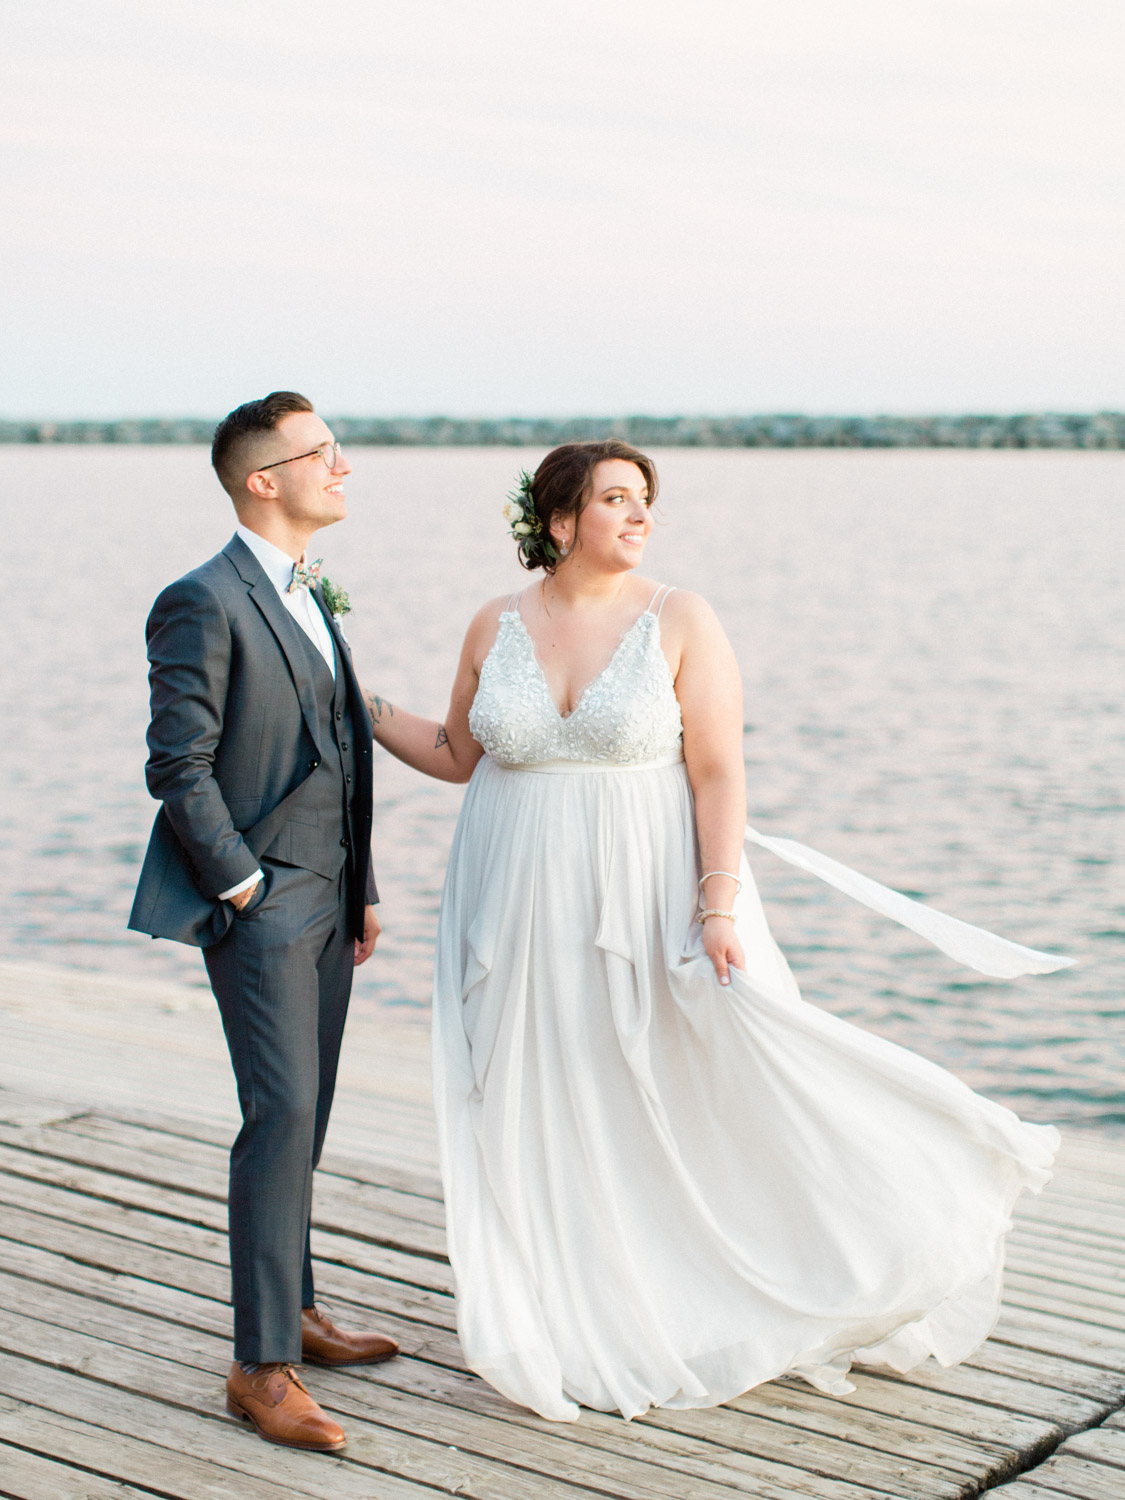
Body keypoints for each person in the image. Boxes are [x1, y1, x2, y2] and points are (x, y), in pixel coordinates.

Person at [362, 438, 1072, 1423]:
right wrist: (352, 700)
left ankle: (821, 1240)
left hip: (648, 889)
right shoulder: (495, 622)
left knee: (672, 1078)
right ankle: (564, 1306)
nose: (640, 514)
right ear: (561, 521)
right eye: (616, 498)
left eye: (645, 498)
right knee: (533, 1089)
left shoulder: (681, 617)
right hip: (513, 901)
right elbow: (453, 753)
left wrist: (718, 904)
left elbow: (717, 771)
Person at [129, 391, 396, 1453]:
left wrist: (361, 884)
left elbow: (342, 747)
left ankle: (294, 1307)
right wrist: (242, 886)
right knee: (279, 1113)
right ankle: (259, 1363)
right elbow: (177, 766)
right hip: (264, 903)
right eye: (322, 452)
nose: (342, 465)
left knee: (311, 1109)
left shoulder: (306, 592)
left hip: (332, 900)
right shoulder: (201, 599)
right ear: (263, 480)